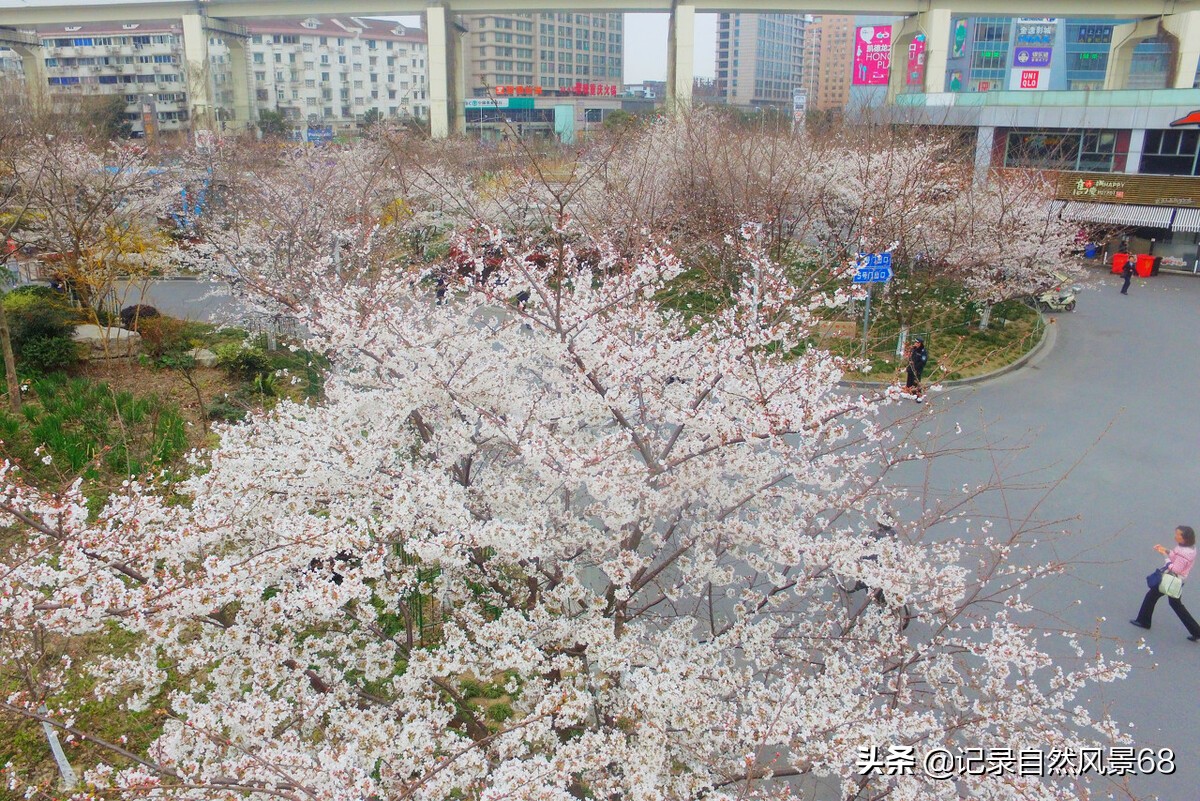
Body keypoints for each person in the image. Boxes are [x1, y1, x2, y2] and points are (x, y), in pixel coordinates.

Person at [1130, 525, 1200, 641]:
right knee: (1174, 604)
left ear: (1184, 538)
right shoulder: (1188, 548)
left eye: (1178, 534)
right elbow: (1175, 554)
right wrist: (1165, 550)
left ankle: (1144, 621)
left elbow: (1175, 568)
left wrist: (1165, 557)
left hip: (1171, 579)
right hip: (1176, 580)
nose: (1175, 536)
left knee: (1152, 596)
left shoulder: (1184, 554)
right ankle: (1196, 631)